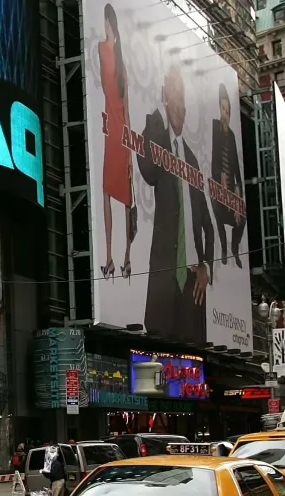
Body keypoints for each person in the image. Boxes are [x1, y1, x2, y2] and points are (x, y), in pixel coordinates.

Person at [139, 63, 213, 345]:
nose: (180, 106)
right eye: (174, 96)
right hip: (164, 281)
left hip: (192, 287)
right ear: (164, 97)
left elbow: (207, 222)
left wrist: (207, 265)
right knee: (158, 356)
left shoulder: (192, 160)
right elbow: (147, 169)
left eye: (183, 98)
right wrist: (155, 117)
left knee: (193, 362)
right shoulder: (156, 137)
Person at [98, 3, 135, 280]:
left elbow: (127, 108)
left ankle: (118, 257)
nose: (105, 27)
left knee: (114, 195)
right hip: (117, 133)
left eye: (107, 23)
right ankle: (120, 257)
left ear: (112, 26)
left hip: (116, 133)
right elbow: (128, 109)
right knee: (115, 194)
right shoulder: (114, 58)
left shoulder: (109, 54)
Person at [210, 83, 244, 274]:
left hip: (231, 191)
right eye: (223, 109)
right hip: (216, 186)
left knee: (243, 218)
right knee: (217, 211)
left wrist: (237, 194)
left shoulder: (231, 135)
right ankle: (223, 248)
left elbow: (237, 169)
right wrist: (220, 176)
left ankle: (234, 249)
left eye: (228, 111)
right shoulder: (216, 128)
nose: (225, 114)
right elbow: (214, 157)